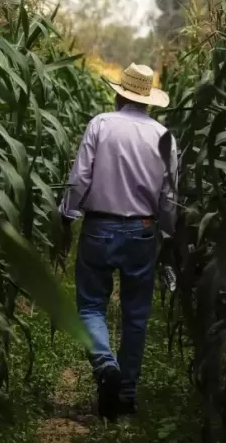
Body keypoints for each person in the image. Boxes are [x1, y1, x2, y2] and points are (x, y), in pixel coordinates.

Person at [58, 62, 178, 421]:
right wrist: (168, 235)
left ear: (118, 93)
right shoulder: (163, 136)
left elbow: (80, 178)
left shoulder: (101, 124)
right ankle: (125, 395)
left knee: (91, 307)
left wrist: (66, 216)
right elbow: (169, 196)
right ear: (149, 101)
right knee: (136, 316)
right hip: (142, 230)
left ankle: (105, 365)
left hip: (99, 228)